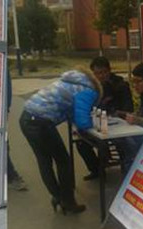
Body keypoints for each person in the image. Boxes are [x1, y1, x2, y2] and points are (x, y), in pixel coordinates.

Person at [19, 69, 101, 214]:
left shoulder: (71, 82)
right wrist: (94, 124)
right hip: (41, 122)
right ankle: (68, 202)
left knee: (45, 161)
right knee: (64, 161)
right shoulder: (89, 91)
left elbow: (71, 112)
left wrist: (79, 122)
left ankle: (57, 196)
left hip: (27, 118)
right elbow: (83, 121)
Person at [77, 56, 133, 181]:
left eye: (104, 72)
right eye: (97, 73)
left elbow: (128, 108)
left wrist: (114, 113)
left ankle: (126, 171)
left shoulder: (120, 85)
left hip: (119, 125)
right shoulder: (91, 87)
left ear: (109, 71)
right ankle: (96, 169)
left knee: (120, 143)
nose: (101, 76)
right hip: (99, 124)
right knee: (81, 142)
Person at [7, 68, 28, 191]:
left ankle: (11, 176)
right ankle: (11, 176)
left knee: (3, 145)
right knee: (3, 145)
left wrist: (6, 108)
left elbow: (7, 87)